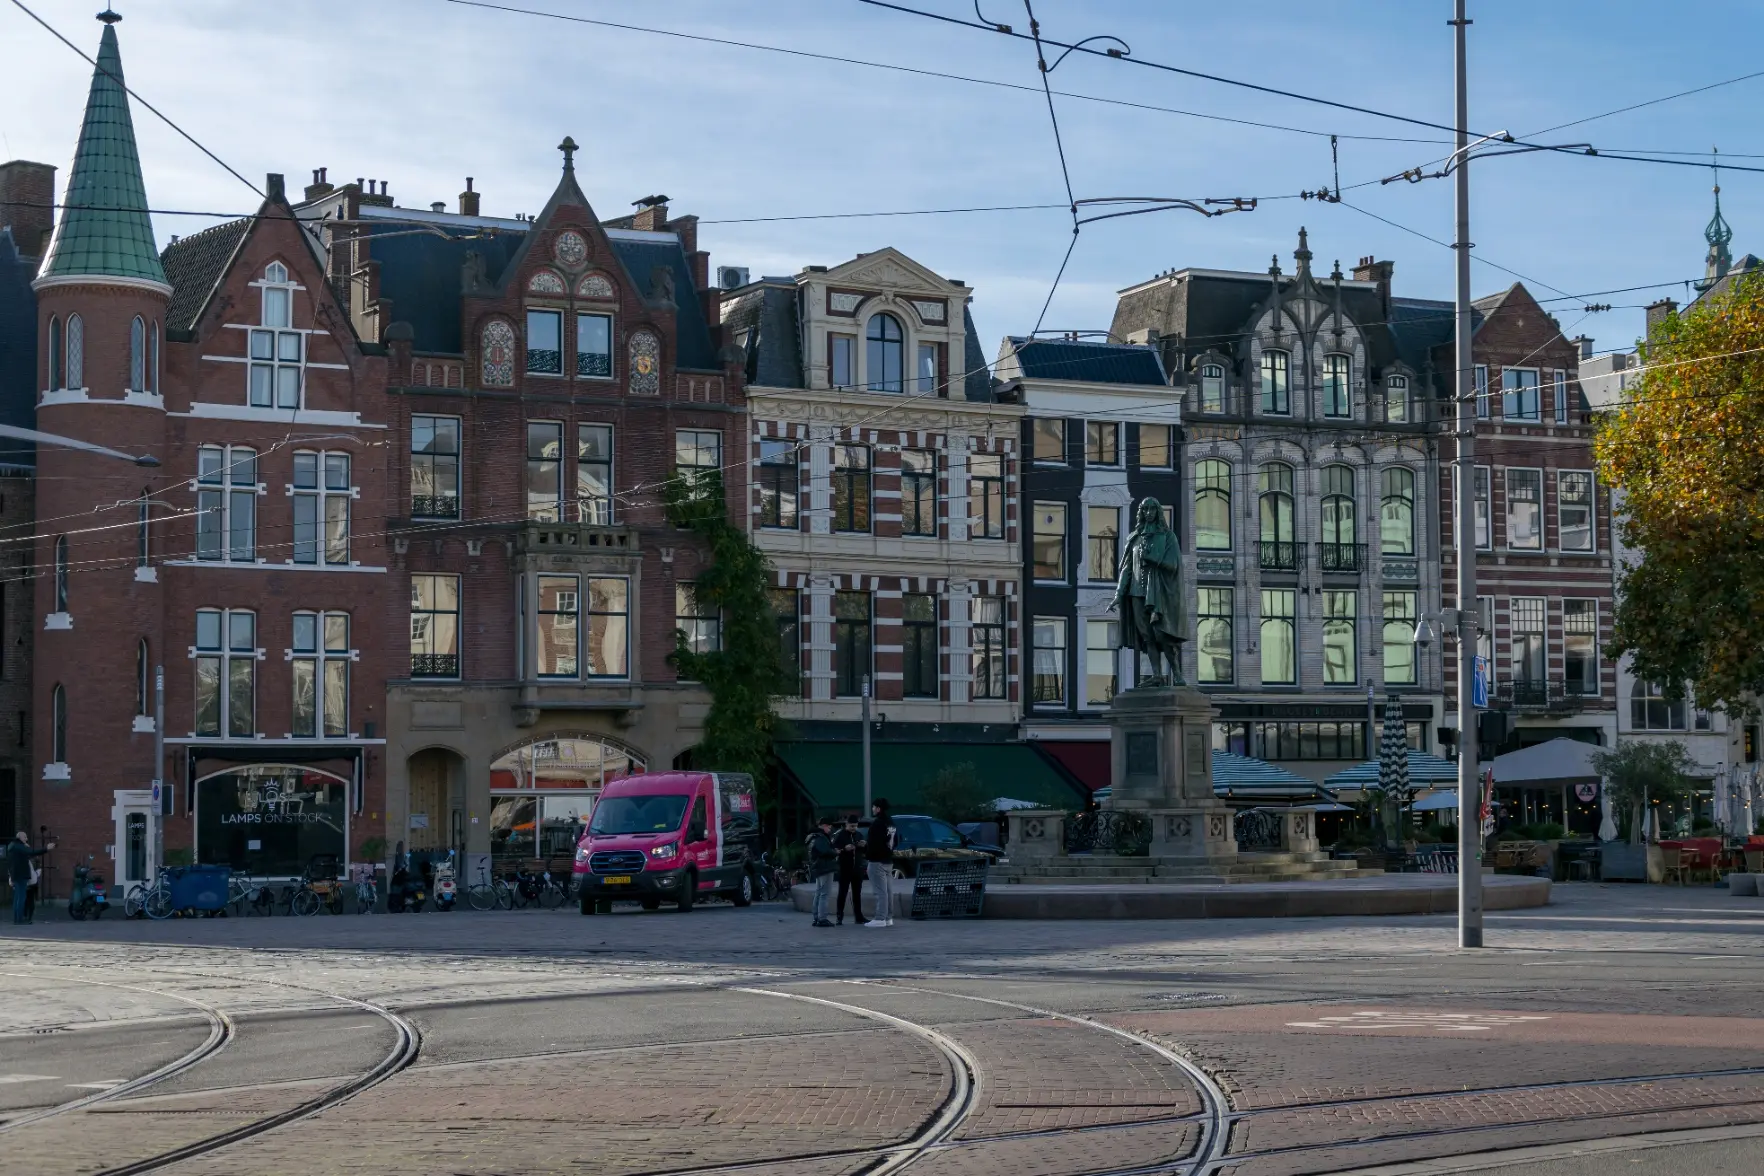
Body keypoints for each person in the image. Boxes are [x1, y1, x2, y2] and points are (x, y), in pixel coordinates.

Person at [863, 798, 897, 928]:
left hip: (877, 861)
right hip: (888, 860)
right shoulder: (891, 823)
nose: (872, 809)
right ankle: (888, 917)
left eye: (873, 807)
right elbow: (896, 841)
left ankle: (880, 917)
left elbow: (874, 843)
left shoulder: (877, 823)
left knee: (880, 891)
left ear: (878, 808)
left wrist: (867, 854)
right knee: (888, 891)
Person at [6, 832, 50, 925]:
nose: (26, 839)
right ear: (20, 837)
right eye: (25, 837)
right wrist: (46, 848)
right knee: (21, 898)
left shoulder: (12, 846)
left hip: (15, 875)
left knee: (17, 897)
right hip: (21, 875)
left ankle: (16, 918)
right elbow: (31, 852)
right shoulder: (19, 846)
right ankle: (19, 920)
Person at [832, 814, 866, 925]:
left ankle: (859, 916)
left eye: (855, 826)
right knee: (842, 893)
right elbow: (834, 850)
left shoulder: (859, 835)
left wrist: (863, 845)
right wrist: (844, 849)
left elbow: (865, 851)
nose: (853, 828)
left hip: (857, 869)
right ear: (846, 825)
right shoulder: (840, 835)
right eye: (851, 826)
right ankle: (839, 916)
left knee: (857, 894)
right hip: (845, 868)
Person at [806, 817, 838, 927]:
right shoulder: (820, 837)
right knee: (824, 893)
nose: (830, 829)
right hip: (825, 868)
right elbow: (824, 851)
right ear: (824, 825)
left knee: (819, 893)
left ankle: (816, 917)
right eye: (829, 827)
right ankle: (822, 918)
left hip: (818, 868)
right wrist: (835, 852)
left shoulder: (813, 836)